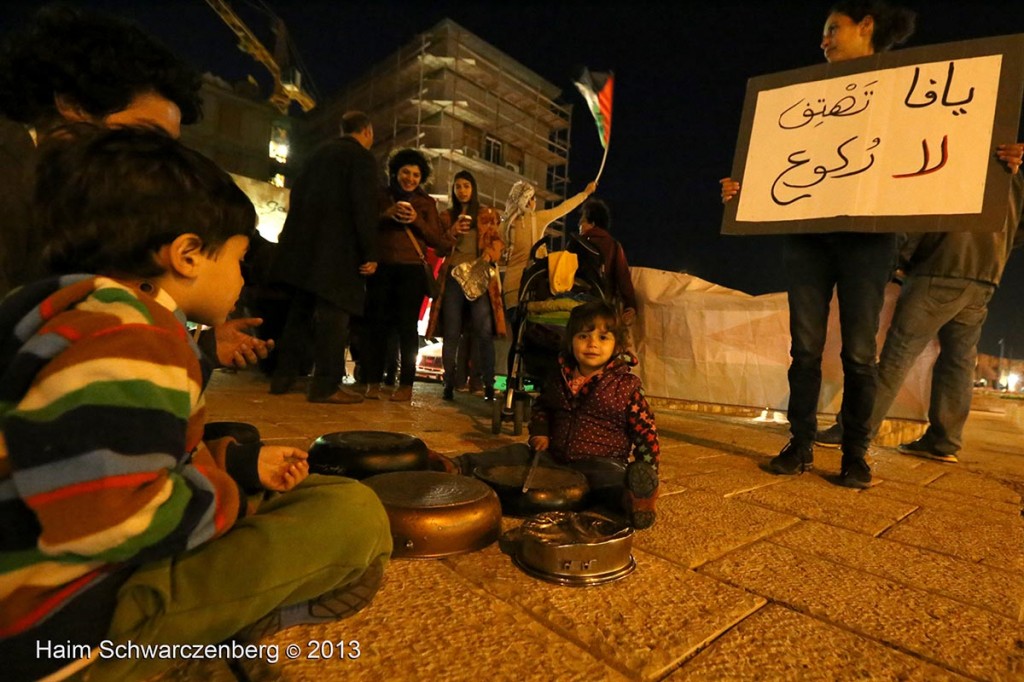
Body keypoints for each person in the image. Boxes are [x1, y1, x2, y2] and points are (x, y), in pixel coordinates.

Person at [0, 126, 392, 681]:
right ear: (187, 254)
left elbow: (100, 450)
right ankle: (189, 656)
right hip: (64, 633)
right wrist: (235, 500)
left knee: (302, 487)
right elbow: (109, 521)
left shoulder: (52, 309)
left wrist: (232, 462)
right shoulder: (133, 333)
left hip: (38, 610)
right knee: (351, 516)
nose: (241, 277)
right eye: (237, 260)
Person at [0, 3, 270, 370]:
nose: (156, 162)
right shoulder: (13, 182)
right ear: (72, 104)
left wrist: (194, 347)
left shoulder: (71, 202)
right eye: (146, 137)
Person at [720, 0, 916, 489]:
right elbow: (775, 161)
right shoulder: (801, 96)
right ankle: (800, 443)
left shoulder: (903, 87)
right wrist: (741, 191)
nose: (823, 39)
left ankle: (855, 454)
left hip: (867, 241)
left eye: (833, 29)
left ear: (866, 27)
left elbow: (939, 144)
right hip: (807, 235)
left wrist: (1001, 157)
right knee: (804, 348)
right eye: (824, 32)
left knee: (859, 353)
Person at [815, 150, 1024, 462]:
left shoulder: (951, 155)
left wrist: (898, 262)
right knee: (958, 361)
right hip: (985, 274)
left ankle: (854, 430)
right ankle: (944, 441)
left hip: (940, 266)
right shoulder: (1011, 170)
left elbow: (923, 216)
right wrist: (998, 248)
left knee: (896, 356)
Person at [455, 300, 660, 529]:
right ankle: (458, 465)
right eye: (583, 336)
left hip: (601, 462)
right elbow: (543, 407)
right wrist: (540, 432)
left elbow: (645, 430)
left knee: (610, 485)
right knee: (517, 453)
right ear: (571, 340)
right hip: (553, 458)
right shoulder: (559, 377)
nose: (592, 344)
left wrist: (647, 468)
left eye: (603, 338)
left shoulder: (625, 386)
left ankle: (637, 499)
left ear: (617, 346)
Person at [269, 111, 378, 403]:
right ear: (366, 131)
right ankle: (326, 384)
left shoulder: (317, 155)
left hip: (306, 248)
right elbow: (363, 206)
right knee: (335, 317)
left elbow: (297, 197)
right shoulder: (361, 159)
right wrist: (370, 251)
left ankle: (283, 376)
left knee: (300, 313)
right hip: (339, 252)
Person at [363, 148, 452, 401]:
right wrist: (385, 215)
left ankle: (405, 386)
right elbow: (365, 226)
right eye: (405, 172)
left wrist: (416, 220)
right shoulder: (381, 196)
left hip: (411, 271)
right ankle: (372, 382)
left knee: (407, 328)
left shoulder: (426, 203)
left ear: (421, 178)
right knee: (376, 326)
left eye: (415, 174)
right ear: (395, 172)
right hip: (382, 268)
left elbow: (438, 241)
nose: (410, 178)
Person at [426, 170, 506, 401]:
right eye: (458, 186)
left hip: (479, 279)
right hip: (453, 279)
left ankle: (487, 384)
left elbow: (497, 243)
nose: (462, 190)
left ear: (473, 189)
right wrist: (451, 233)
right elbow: (439, 248)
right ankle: (448, 382)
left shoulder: (486, 214)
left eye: (466, 186)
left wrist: (491, 255)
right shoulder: (446, 217)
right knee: (452, 332)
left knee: (484, 331)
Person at [501, 178, 598, 311]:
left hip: (509, 288)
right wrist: (586, 193)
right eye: (534, 199)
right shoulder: (537, 219)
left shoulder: (504, 226)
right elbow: (564, 207)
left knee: (513, 327)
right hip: (531, 285)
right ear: (529, 201)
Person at [578, 197, 638, 324]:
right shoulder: (614, 246)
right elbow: (624, 278)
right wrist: (630, 305)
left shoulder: (576, 243)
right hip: (603, 307)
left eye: (582, 220)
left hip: (576, 305)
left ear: (592, 223)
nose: (579, 224)